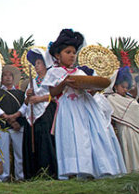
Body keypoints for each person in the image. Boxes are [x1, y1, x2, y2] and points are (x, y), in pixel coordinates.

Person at [42, 29, 124, 179]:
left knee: (93, 136)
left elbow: (91, 88)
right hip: (69, 108)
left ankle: (97, 168)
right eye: (68, 52)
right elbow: (52, 93)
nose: (72, 55)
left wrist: (92, 89)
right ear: (58, 55)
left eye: (74, 52)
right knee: (72, 138)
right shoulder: (54, 72)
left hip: (86, 107)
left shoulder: (81, 72)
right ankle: (74, 171)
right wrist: (65, 82)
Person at [21, 48, 58, 179]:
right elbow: (26, 101)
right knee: (32, 143)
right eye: (35, 64)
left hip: (47, 113)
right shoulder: (31, 82)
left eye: (39, 63)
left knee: (46, 142)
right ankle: (33, 173)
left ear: (45, 64)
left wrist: (40, 98)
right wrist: (28, 96)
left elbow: (56, 96)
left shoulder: (51, 79)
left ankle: (49, 172)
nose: (36, 66)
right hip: (32, 117)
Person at [0, 65, 26, 182]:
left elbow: (25, 106)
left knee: (20, 153)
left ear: (13, 78)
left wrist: (16, 116)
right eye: (5, 75)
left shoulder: (21, 94)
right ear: (1, 78)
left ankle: (20, 176)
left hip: (18, 125)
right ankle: (3, 177)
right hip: (3, 126)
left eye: (10, 75)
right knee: (2, 153)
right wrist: (7, 117)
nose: (7, 78)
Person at [105, 66, 139, 173]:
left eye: (126, 87)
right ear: (115, 85)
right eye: (122, 87)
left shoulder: (127, 97)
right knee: (129, 149)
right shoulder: (112, 98)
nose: (125, 89)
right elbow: (134, 107)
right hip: (125, 129)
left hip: (133, 128)